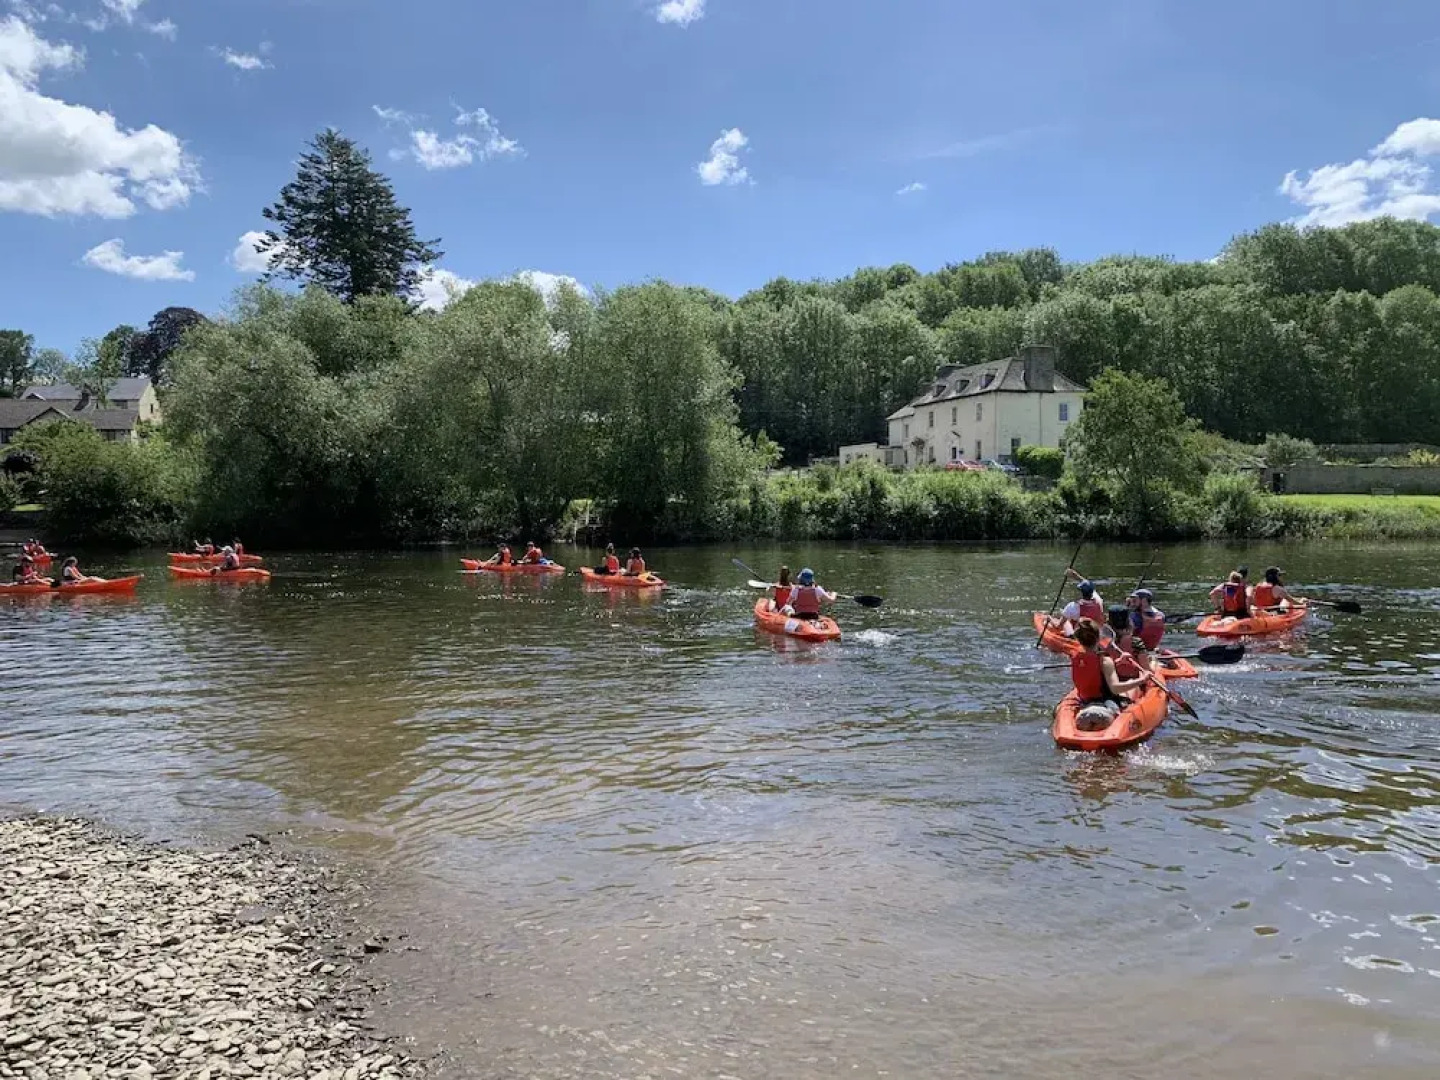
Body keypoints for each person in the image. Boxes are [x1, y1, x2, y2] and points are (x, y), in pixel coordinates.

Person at [1070, 619, 1150, 731]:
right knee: (1134, 691)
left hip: (1084, 703)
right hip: (1106, 704)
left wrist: (1117, 662)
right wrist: (1142, 679)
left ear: (1078, 639)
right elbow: (1116, 689)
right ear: (1098, 638)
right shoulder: (1105, 661)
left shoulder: (1075, 658)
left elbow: (1093, 671)